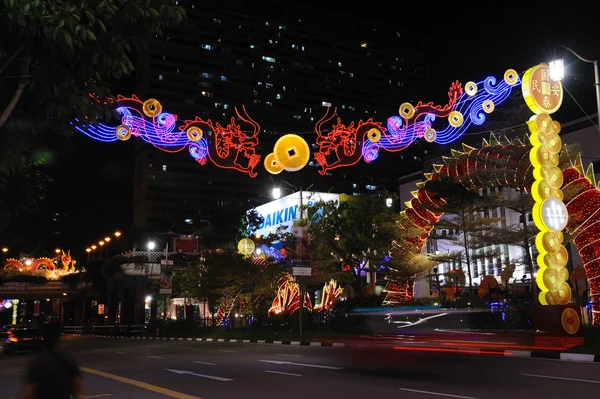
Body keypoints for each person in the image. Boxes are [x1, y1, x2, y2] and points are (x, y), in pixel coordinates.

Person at [20, 321, 83, 399]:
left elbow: (29, 393)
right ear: (59, 338)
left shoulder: (37, 361)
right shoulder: (68, 358)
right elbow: (78, 390)